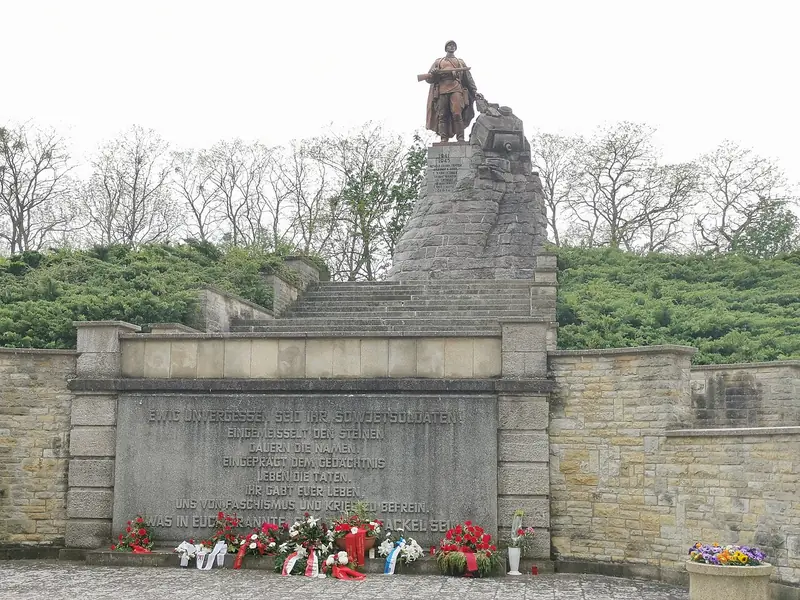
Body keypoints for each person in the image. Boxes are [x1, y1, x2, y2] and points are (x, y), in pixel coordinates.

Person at [424, 40, 478, 142]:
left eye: (453, 45)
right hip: (442, 90)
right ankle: (443, 138)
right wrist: (434, 73)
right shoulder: (438, 61)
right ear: (446, 48)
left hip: (456, 88)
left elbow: (468, 78)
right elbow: (429, 79)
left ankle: (460, 137)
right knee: (442, 115)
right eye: (450, 45)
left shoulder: (460, 62)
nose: (452, 47)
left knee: (457, 113)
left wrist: (474, 91)